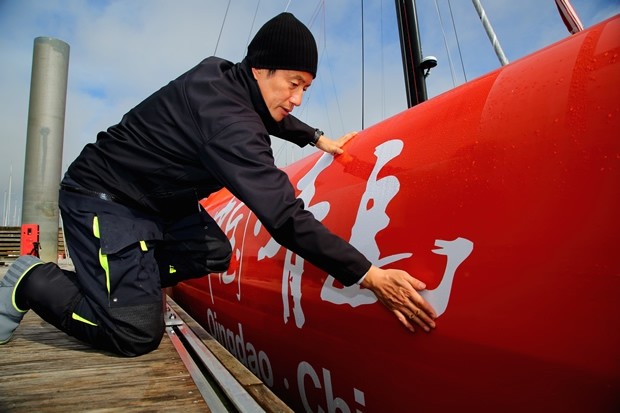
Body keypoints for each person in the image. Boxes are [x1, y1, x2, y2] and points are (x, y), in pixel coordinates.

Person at [0, 12, 436, 356]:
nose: (298, 98)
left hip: (155, 202)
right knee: (135, 333)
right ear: (260, 69)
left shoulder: (224, 75)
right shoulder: (230, 126)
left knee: (211, 252)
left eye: (306, 87)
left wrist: (316, 138)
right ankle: (32, 279)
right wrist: (369, 274)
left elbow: (270, 113)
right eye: (294, 84)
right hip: (105, 197)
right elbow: (285, 218)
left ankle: (123, 282)